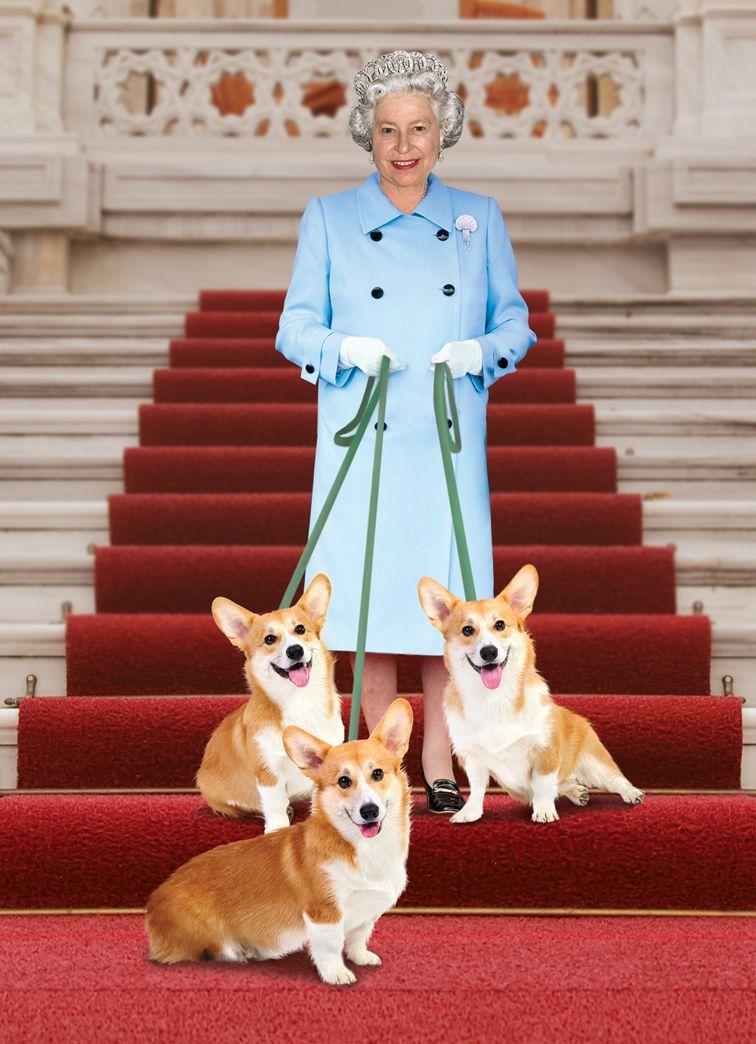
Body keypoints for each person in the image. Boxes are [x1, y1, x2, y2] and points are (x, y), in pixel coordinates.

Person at [275, 49, 537, 812]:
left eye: (419, 127)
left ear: (443, 129)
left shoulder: (476, 217)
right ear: (367, 131)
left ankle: (440, 749)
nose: (404, 145)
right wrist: (342, 350)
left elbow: (514, 322)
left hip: (445, 429)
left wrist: (480, 352)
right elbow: (294, 327)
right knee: (367, 599)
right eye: (388, 128)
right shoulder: (329, 217)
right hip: (365, 426)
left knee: (445, 593)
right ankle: (378, 753)